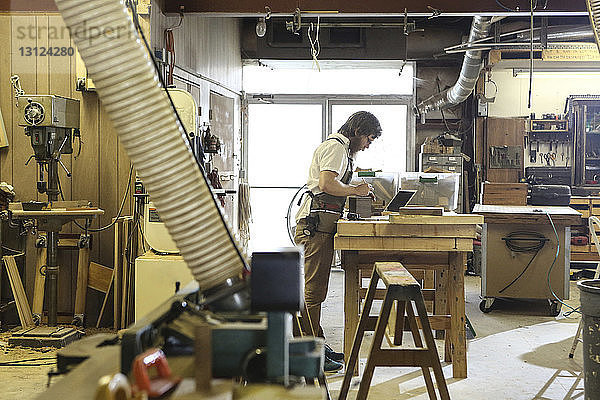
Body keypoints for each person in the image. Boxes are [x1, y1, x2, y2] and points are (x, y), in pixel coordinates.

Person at [294, 111, 382, 372]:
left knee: (316, 290)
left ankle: (316, 343)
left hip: (323, 227)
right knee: (314, 292)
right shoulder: (336, 147)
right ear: (357, 132)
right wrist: (355, 190)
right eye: (368, 138)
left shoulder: (343, 150)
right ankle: (309, 351)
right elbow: (326, 183)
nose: (368, 145)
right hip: (316, 228)